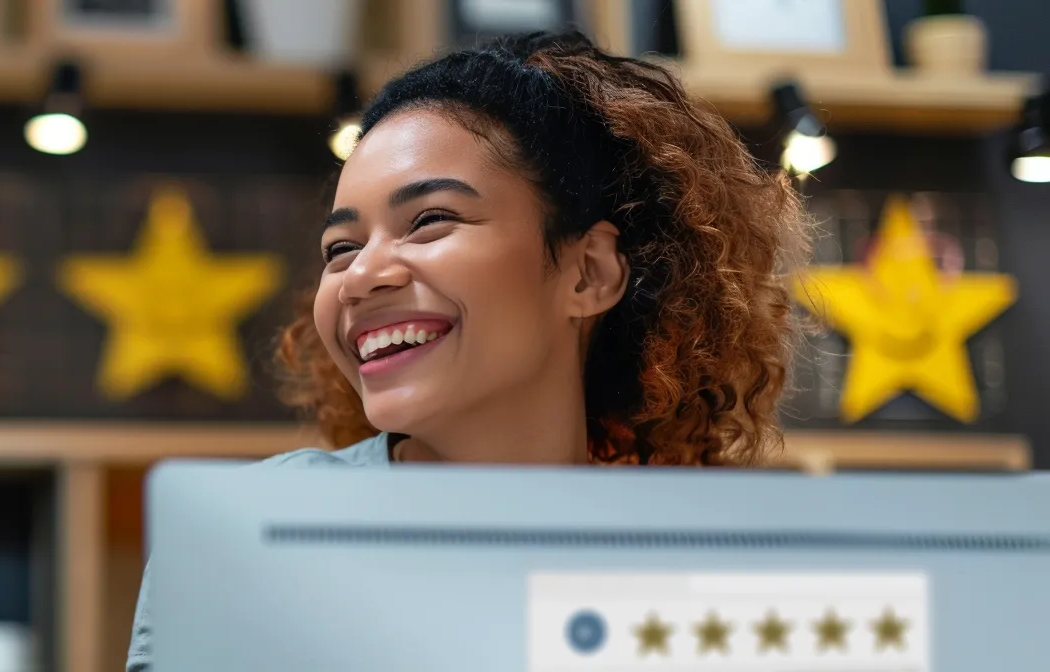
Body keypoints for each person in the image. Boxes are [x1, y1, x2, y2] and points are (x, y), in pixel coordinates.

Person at [124, 30, 812, 671]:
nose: (361, 275)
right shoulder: (245, 536)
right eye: (341, 248)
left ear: (589, 273)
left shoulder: (703, 583)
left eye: (430, 221)